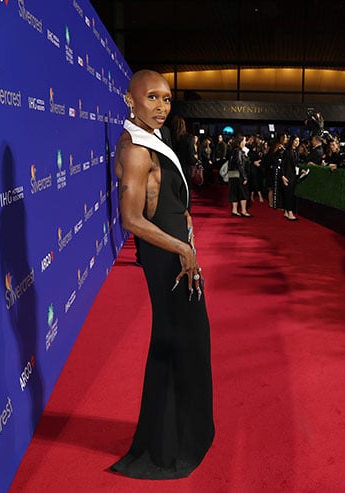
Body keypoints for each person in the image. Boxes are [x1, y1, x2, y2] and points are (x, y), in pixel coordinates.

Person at [111, 69, 214, 479]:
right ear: (130, 99)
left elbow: (166, 198)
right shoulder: (134, 148)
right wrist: (182, 248)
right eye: (152, 97)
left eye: (167, 99)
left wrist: (185, 221)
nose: (161, 107)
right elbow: (130, 219)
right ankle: (164, 448)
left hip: (177, 252)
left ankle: (185, 435)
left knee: (189, 341)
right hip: (166, 258)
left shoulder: (158, 139)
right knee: (173, 342)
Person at [227, 133, 251, 217]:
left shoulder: (233, 150)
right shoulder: (239, 151)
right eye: (244, 140)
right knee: (243, 192)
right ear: (240, 142)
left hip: (232, 173)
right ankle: (243, 211)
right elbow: (240, 164)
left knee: (234, 191)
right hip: (239, 174)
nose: (245, 142)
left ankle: (234, 210)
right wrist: (245, 176)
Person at [281, 135, 301, 220]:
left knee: (290, 194)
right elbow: (282, 165)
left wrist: (301, 171)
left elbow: (296, 165)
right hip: (287, 176)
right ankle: (289, 212)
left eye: (298, 141)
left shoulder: (295, 152)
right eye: (296, 141)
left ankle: (286, 211)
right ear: (292, 141)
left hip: (293, 176)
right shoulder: (287, 152)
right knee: (289, 195)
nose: (297, 142)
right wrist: (283, 176)